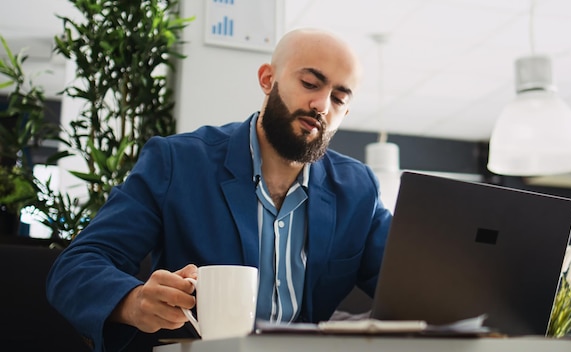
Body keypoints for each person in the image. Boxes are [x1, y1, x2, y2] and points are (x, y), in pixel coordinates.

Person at [47, 28, 392, 352]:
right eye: (309, 83)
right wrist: (133, 301)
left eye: (339, 98)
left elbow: (412, 281)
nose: (322, 105)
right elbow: (77, 266)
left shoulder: (357, 188)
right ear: (268, 80)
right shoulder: (178, 162)